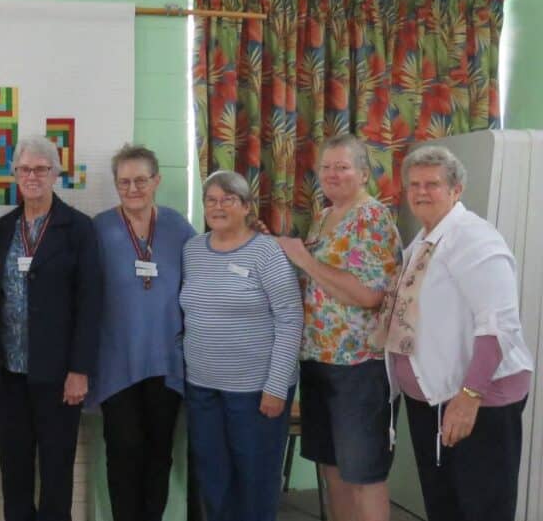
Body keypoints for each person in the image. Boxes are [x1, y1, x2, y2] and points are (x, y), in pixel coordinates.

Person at [376, 146, 533, 521]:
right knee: (445, 506)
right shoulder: (425, 240)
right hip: (432, 399)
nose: (421, 192)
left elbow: (498, 324)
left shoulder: (474, 238)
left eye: (433, 184)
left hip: (477, 399)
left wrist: (469, 395)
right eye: (414, 184)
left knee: (480, 509)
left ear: (456, 189)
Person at [0, 135, 102, 521]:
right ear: (14, 174)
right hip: (8, 375)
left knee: (57, 474)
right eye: (25, 169)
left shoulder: (78, 229)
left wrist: (80, 369)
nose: (32, 176)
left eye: (41, 169)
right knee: (14, 474)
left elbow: (91, 302)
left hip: (60, 377)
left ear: (55, 175)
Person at [276, 134, 402, 521]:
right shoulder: (325, 214)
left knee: (363, 474)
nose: (332, 174)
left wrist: (304, 260)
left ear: (363, 173)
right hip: (318, 361)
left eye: (342, 167)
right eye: (325, 167)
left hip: (359, 366)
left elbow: (369, 296)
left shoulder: (372, 217)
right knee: (332, 471)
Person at [181, 170, 303, 521]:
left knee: (255, 482)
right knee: (214, 480)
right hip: (202, 389)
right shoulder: (192, 250)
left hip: (256, 392)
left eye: (228, 200)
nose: (218, 207)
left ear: (247, 207)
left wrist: (277, 386)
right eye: (210, 200)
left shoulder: (266, 251)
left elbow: (290, 318)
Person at [87, 144, 195, 521]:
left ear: (156, 181)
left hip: (166, 361)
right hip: (116, 361)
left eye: (140, 180)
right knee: (123, 451)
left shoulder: (179, 226)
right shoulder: (98, 228)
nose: (133, 188)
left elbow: (204, 273)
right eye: (124, 182)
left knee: (159, 453)